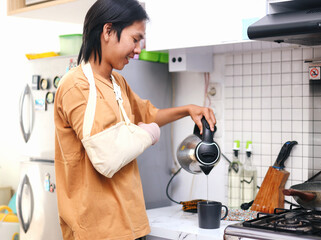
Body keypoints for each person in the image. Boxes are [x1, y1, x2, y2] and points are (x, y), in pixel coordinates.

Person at [53, 0, 216, 239]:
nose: (138, 49)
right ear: (108, 31)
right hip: (98, 231)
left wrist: (188, 109)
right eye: (135, 39)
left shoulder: (117, 83)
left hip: (130, 224)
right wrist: (149, 134)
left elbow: (150, 116)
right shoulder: (77, 86)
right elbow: (108, 155)